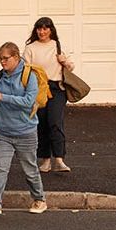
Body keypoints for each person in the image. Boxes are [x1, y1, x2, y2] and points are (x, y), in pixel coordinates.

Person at [0, 41, 47, 216]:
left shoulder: (28, 75)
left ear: (16, 57)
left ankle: (39, 199)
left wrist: (3, 97)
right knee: (1, 168)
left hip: (26, 132)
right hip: (4, 132)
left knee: (30, 170)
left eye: (6, 58)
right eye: (0, 59)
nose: (2, 62)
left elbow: (28, 102)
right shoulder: (1, 76)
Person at [23, 17, 75, 173]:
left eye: (45, 28)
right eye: (39, 29)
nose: (42, 32)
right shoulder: (30, 48)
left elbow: (71, 67)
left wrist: (64, 61)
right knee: (41, 124)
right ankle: (45, 160)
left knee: (55, 122)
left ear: (51, 30)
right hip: (38, 88)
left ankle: (59, 159)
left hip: (57, 88)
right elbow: (25, 69)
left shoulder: (57, 46)